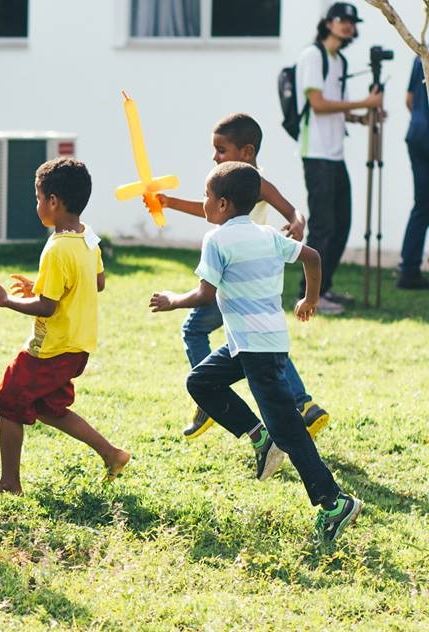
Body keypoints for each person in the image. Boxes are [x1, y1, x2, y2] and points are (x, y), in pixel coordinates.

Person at [150, 162, 361, 542]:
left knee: (291, 431)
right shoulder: (266, 234)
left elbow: (204, 295)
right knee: (201, 381)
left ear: (223, 205)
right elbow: (312, 256)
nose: (204, 203)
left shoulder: (216, 240)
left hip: (257, 351)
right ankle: (259, 437)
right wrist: (310, 298)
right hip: (254, 344)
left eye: (206, 197)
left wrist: (170, 299)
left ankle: (335, 503)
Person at [155, 114, 329, 440]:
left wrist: (297, 224)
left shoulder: (254, 182)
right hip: (244, 277)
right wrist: (170, 202)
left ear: (246, 152)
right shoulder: (230, 189)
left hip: (234, 278)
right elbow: (208, 210)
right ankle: (304, 405)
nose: (215, 157)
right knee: (261, 342)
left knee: (197, 330)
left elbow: (292, 211)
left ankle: (210, 397)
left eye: (221, 150)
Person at [0, 157, 130, 497]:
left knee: (7, 401)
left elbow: (48, 306)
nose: (37, 205)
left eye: (38, 198)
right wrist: (42, 285)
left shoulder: (58, 248)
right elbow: (97, 281)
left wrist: (7, 300)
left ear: (54, 202)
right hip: (78, 345)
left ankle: (9, 483)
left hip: (52, 348)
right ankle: (113, 454)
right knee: (48, 408)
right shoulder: (88, 237)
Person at [296, 1, 383, 314]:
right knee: (323, 226)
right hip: (316, 153)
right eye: (342, 19)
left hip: (335, 154)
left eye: (352, 21)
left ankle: (325, 288)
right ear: (328, 23)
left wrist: (364, 115)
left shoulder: (340, 61)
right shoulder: (313, 55)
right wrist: (366, 100)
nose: (348, 25)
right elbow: (318, 104)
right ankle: (307, 294)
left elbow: (339, 108)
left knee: (342, 224)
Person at [397, 56, 429, 289]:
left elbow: (409, 100)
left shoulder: (420, 54)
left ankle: (408, 270)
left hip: (417, 134)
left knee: (422, 206)